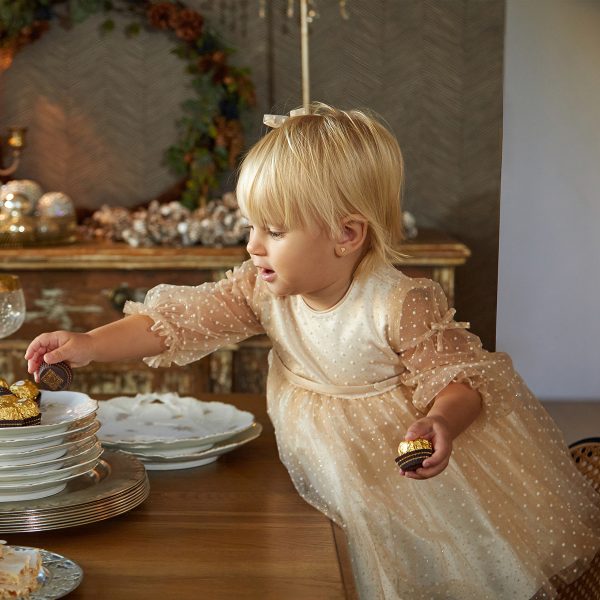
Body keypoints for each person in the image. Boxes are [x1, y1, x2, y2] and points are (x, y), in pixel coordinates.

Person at [25, 104, 599, 599]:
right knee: (314, 557)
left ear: (346, 235)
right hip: (320, 459)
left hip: (396, 470)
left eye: (273, 229)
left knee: (427, 561)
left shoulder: (398, 302)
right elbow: (176, 324)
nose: (252, 246)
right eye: (251, 226)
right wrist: (89, 344)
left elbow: (460, 380)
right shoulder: (261, 288)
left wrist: (439, 421)